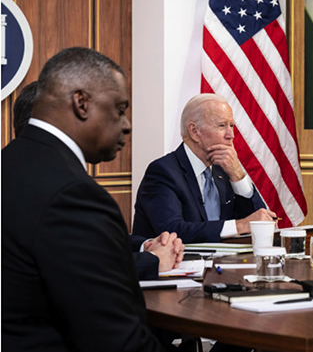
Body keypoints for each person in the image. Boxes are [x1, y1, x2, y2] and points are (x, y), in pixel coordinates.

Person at [2, 47, 182, 352]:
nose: (127, 125)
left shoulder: (11, 164)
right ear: (81, 103)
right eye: (120, 109)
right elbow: (119, 347)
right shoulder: (72, 193)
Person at [11, 81, 184, 281]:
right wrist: (152, 260)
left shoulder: (35, 173)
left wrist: (145, 245)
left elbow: (89, 239)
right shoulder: (43, 188)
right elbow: (81, 266)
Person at [133, 94, 275, 244]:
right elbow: (172, 231)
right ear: (194, 131)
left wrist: (237, 175)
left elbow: (260, 222)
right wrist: (239, 226)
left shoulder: (224, 169)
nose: (231, 135)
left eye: (231, 126)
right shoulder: (163, 172)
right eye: (222, 126)